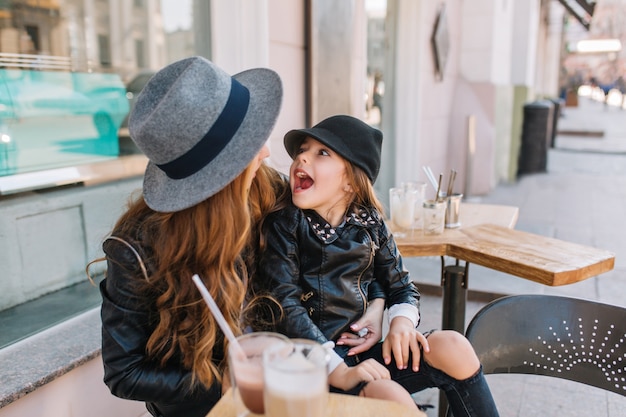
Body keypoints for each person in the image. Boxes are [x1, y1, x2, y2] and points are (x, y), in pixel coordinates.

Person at [255, 115, 501, 416]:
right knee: (388, 394)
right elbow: (284, 306)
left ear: (349, 182)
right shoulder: (286, 224)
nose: (302, 156)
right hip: (311, 365)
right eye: (302, 149)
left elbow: (401, 285)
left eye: (322, 153)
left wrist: (401, 323)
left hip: (364, 355)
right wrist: (337, 369)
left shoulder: (369, 223)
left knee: (453, 345)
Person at [88, 56, 286, 417]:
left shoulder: (268, 191)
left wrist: (390, 306)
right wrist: (224, 381)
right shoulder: (137, 249)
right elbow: (124, 373)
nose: (267, 150)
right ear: (219, 178)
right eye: (250, 143)